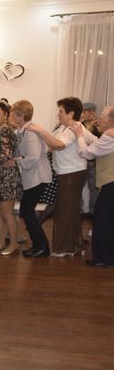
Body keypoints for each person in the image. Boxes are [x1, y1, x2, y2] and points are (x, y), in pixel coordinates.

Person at [27, 97, 96, 257]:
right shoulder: (63, 128)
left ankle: (66, 248)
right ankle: (75, 245)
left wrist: (40, 130)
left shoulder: (74, 128)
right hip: (67, 173)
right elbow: (51, 144)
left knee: (65, 211)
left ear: (71, 113)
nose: (58, 114)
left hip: (72, 173)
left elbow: (59, 145)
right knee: (69, 210)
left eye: (61, 111)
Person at [70, 106, 114, 266]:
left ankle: (103, 259)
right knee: (109, 220)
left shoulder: (109, 136)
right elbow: (99, 144)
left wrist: (80, 135)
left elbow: (86, 153)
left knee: (102, 220)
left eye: (102, 117)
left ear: (110, 121)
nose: (98, 120)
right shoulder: (109, 136)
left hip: (110, 184)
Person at [11, 100, 52, 258]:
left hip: (38, 176)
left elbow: (33, 157)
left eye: (14, 113)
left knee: (26, 211)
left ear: (21, 115)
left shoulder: (31, 132)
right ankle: (39, 245)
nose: (12, 115)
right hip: (33, 176)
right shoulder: (22, 130)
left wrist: (17, 161)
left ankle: (42, 246)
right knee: (27, 211)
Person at [0, 102, 23, 255]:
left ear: (6, 115)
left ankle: (13, 243)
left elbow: (6, 156)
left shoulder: (6, 131)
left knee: (7, 212)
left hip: (7, 176)